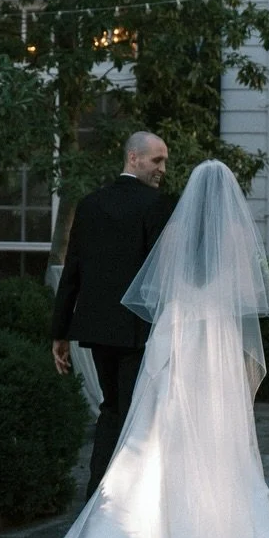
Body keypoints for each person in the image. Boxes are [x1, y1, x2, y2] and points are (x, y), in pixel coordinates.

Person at [15, 159, 269, 538]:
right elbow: (241, 303)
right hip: (215, 347)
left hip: (176, 340)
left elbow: (157, 295)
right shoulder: (232, 237)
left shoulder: (174, 230)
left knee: (147, 440)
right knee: (220, 447)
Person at [50, 131, 176, 497]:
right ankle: (127, 500)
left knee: (112, 410)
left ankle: (98, 497)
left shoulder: (90, 204)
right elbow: (163, 275)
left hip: (98, 331)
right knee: (137, 415)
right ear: (133, 158)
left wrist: (60, 331)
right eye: (157, 160)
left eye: (164, 161)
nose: (163, 169)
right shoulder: (158, 205)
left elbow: (72, 270)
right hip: (139, 332)